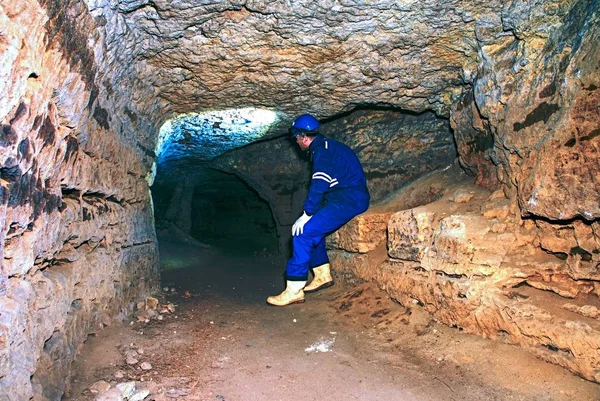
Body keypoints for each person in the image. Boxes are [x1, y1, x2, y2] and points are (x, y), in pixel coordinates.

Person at [267, 113, 370, 306]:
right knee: (313, 231)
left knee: (302, 233)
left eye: (296, 138)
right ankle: (322, 274)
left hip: (349, 199)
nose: (296, 142)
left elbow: (319, 184)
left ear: (304, 137)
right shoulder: (327, 146)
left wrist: (307, 213)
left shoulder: (323, 151)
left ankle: (294, 290)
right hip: (344, 197)